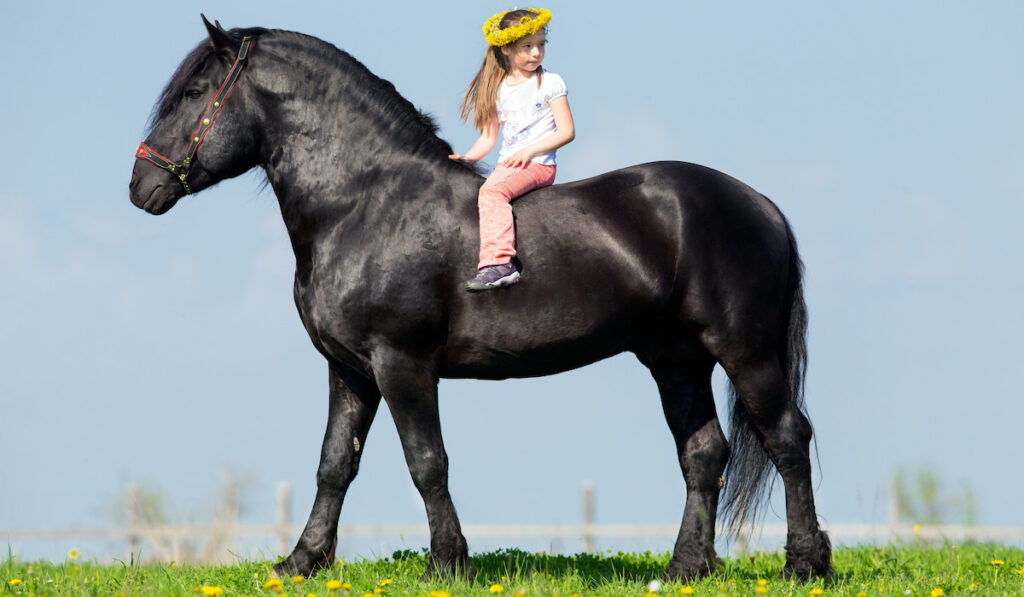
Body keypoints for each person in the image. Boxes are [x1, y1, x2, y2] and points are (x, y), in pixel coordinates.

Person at [450, 7, 575, 292]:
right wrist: (465, 158)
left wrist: (529, 151)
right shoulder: (498, 89)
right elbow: (488, 138)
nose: (536, 53)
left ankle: (500, 264)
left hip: (538, 164)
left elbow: (567, 131)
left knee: (492, 192)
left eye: (541, 45)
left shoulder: (550, 83)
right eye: (528, 47)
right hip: (509, 166)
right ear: (506, 48)